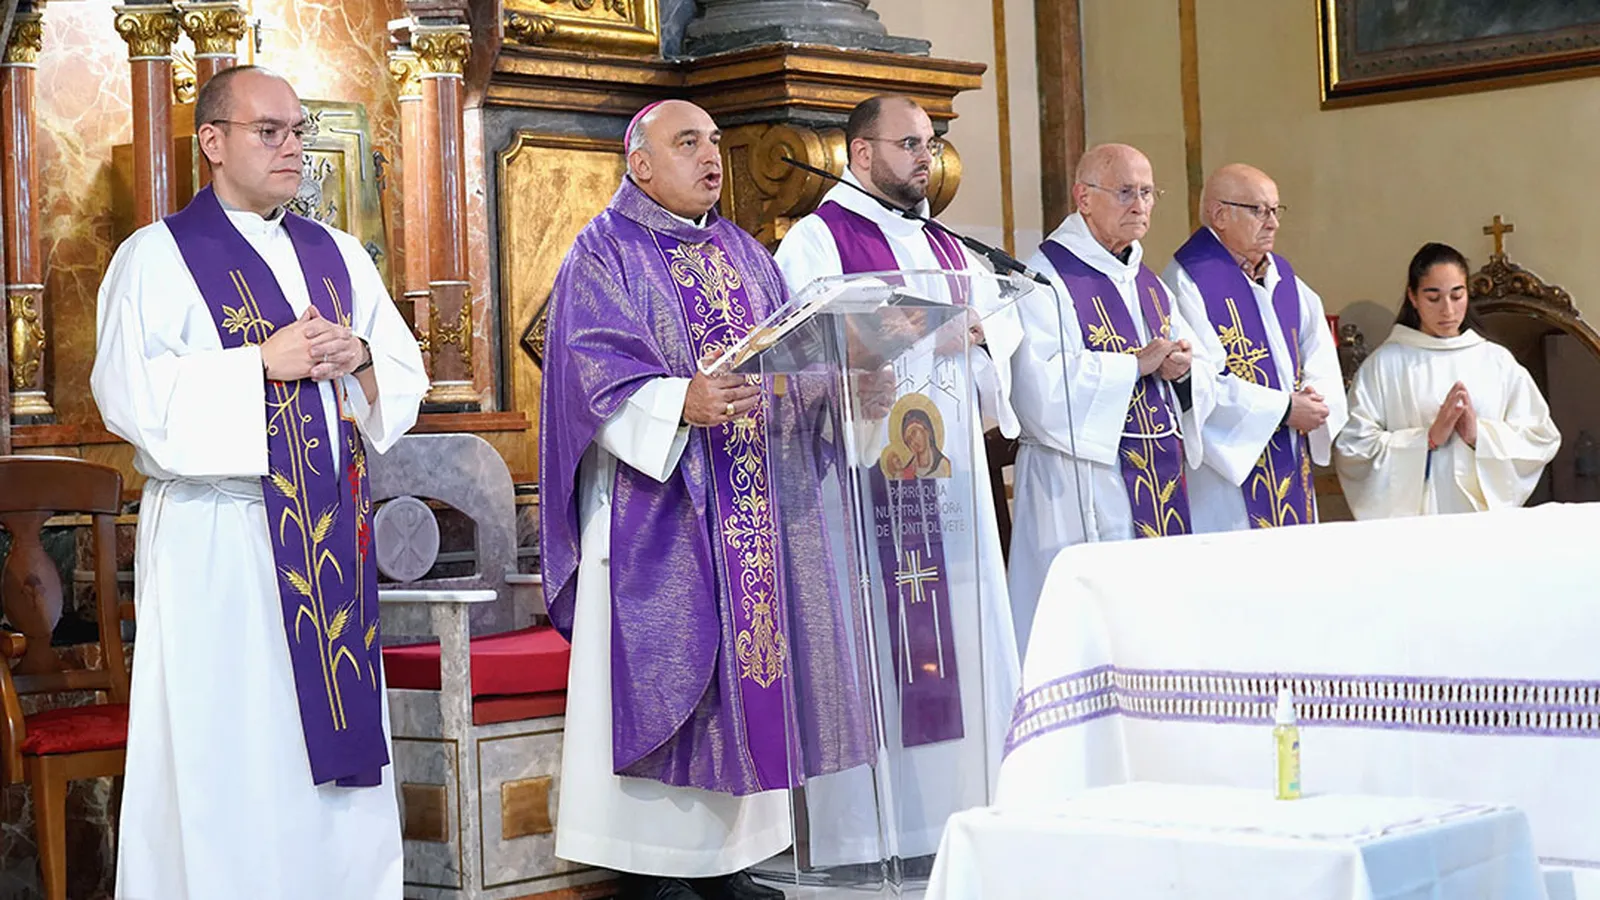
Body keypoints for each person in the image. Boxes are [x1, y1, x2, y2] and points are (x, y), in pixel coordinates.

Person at [90, 66, 428, 899]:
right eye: (268, 131)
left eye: (298, 131)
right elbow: (128, 398)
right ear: (212, 141)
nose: (292, 148)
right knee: (233, 753)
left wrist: (360, 358)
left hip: (329, 539)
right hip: (221, 539)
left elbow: (402, 376)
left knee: (326, 776)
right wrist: (258, 366)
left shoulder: (337, 253)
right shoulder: (156, 257)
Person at [539, 99, 871, 900]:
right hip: (654, 512)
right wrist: (674, 402)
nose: (710, 156)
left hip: (749, 508)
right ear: (641, 162)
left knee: (744, 683)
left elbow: (788, 363)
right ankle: (647, 870)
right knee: (666, 673)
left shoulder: (748, 255)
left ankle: (727, 862)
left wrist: (838, 392)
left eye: (715, 142)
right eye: (687, 142)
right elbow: (588, 378)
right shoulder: (603, 252)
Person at [772, 94, 1022, 871]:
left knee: (961, 645)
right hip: (863, 487)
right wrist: (869, 367)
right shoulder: (818, 240)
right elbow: (796, 354)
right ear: (861, 153)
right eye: (909, 144)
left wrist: (981, 335)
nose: (926, 158)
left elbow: (1001, 324)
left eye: (930, 144)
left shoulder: (946, 244)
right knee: (879, 648)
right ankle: (873, 837)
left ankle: (962, 817)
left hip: (950, 489)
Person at [1007, 143, 1215, 655]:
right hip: (1077, 484)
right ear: (1083, 198)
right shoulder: (1044, 279)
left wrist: (1182, 371)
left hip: (1157, 480)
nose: (1140, 205)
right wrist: (1132, 366)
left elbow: (1203, 368)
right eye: (1125, 192)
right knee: (1091, 641)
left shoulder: (1149, 283)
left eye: (1148, 192)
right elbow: (1038, 391)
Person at [1163, 163, 1346, 532]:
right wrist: (1284, 409)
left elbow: (1319, 355)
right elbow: (1199, 384)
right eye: (1259, 211)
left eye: (1276, 210)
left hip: (1292, 459)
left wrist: (1316, 400)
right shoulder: (1187, 282)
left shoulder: (1286, 280)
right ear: (1219, 215)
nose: (1273, 223)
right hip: (1228, 484)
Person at [1334, 242, 1560, 517]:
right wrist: (1426, 439)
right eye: (1433, 297)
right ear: (1413, 297)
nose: (1448, 310)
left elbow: (1540, 437)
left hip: (1482, 524)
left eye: (1457, 295)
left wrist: (1479, 435)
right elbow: (1354, 449)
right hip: (1417, 526)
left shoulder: (1497, 362)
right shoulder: (1384, 365)